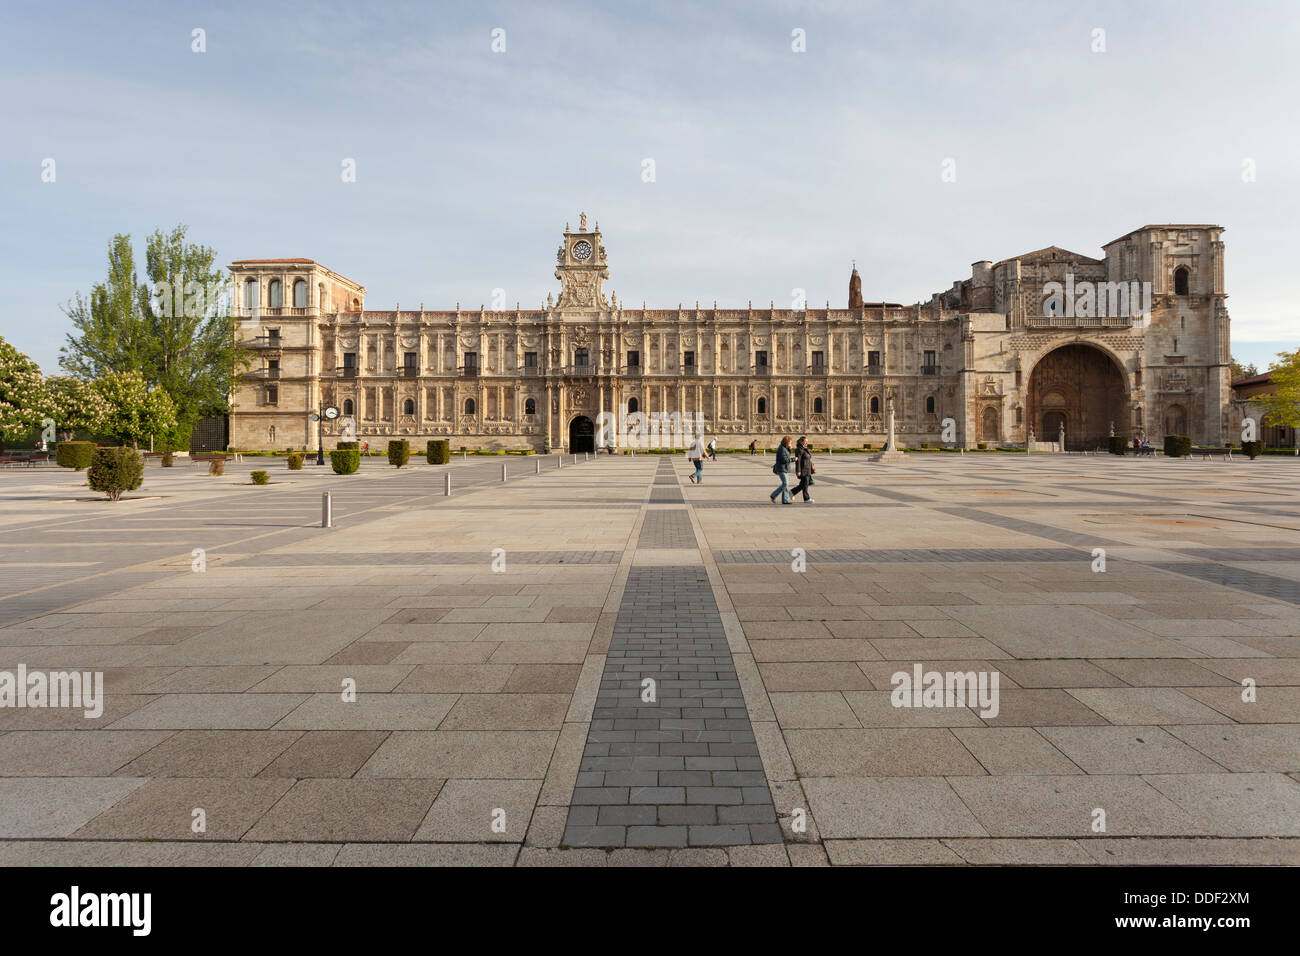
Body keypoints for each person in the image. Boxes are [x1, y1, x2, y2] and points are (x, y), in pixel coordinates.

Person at [769, 436, 794, 504]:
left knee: (785, 484)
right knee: (785, 484)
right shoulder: (782, 449)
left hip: (784, 468)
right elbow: (784, 460)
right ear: (787, 442)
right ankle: (773, 495)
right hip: (781, 468)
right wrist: (793, 459)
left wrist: (789, 449)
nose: (790, 444)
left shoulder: (784, 448)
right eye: (790, 442)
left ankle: (785, 500)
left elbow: (787, 456)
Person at [791, 436, 815, 503]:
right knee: (805, 485)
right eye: (805, 441)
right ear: (801, 442)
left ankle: (791, 492)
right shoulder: (799, 449)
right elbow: (798, 461)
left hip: (807, 469)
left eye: (807, 441)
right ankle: (806, 498)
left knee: (803, 485)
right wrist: (798, 471)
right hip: (803, 469)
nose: (807, 443)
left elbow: (808, 458)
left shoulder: (805, 448)